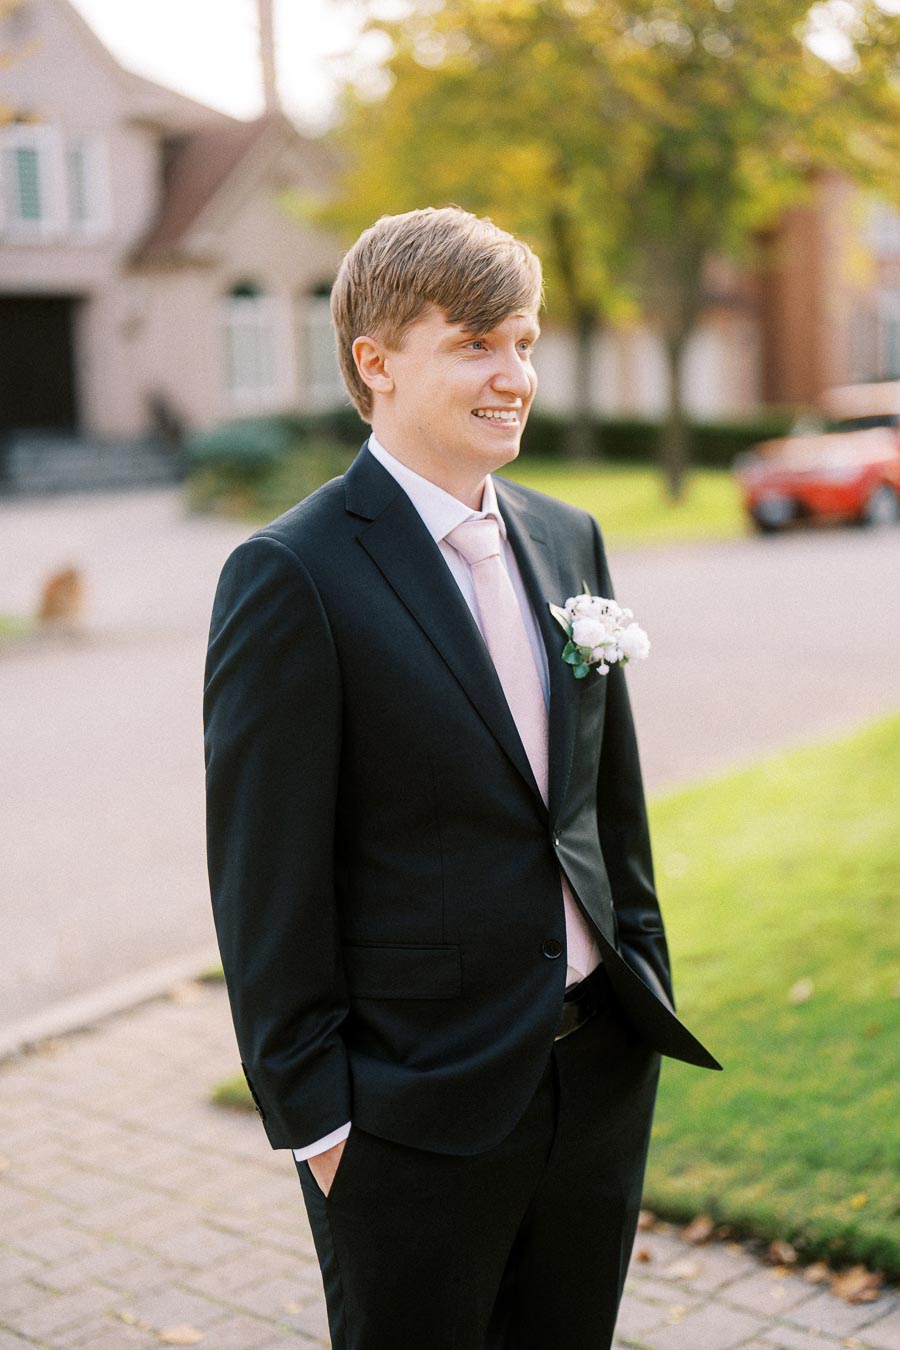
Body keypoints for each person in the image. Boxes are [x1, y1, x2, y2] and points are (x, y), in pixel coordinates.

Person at [204, 205, 720, 1350]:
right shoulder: (290, 574)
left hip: (596, 1079)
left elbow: (604, 802)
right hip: (410, 1117)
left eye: (525, 342)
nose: (513, 374)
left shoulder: (569, 536)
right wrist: (323, 1126)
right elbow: (262, 879)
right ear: (375, 363)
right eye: (477, 342)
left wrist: (640, 974)